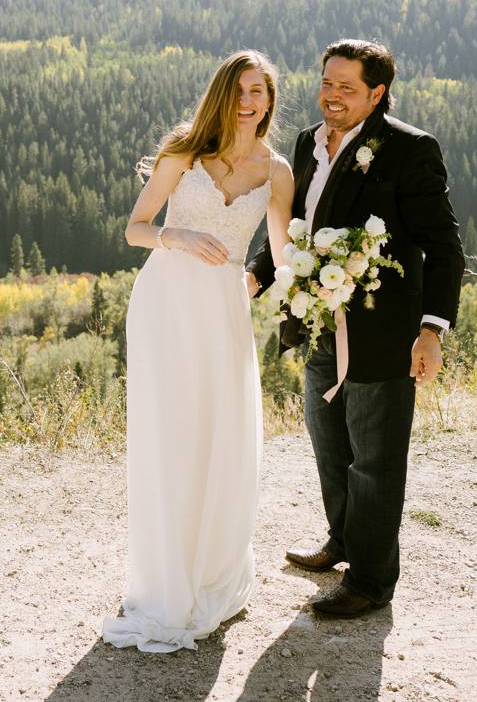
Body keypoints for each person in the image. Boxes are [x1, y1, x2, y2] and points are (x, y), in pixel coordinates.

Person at [246, 38, 464, 618]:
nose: (332, 96)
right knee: (330, 445)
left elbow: (443, 246)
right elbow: (291, 227)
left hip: (383, 332)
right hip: (317, 324)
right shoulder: (304, 145)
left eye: (347, 87)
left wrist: (432, 330)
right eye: (327, 82)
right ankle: (343, 543)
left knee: (376, 458)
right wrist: (256, 276)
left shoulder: (409, 149)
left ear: (377, 93)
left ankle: (371, 580)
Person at [101, 50, 296, 653]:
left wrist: (305, 282)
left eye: (259, 90)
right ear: (222, 93)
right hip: (167, 301)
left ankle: (211, 567)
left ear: (269, 99)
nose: (249, 100)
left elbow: (284, 251)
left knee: (222, 432)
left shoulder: (277, 169)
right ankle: (165, 574)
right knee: (172, 432)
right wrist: (175, 235)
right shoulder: (182, 152)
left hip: (223, 310)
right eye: (239, 89)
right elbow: (134, 228)